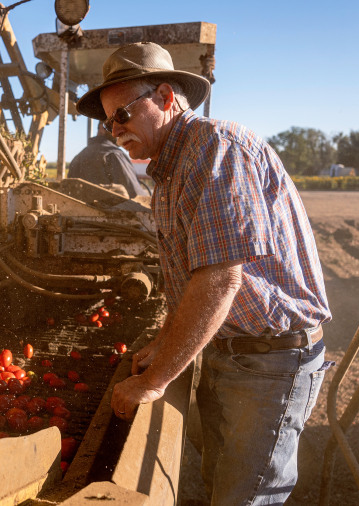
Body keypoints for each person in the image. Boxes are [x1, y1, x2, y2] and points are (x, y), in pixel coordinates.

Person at [76, 42, 331, 505]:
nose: (114, 131)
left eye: (123, 115)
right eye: (107, 121)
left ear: (167, 97)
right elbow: (187, 279)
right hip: (230, 350)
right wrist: (166, 337)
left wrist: (154, 382)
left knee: (245, 495)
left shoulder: (215, 150)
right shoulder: (169, 173)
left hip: (270, 361)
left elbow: (218, 280)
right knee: (220, 480)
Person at [67, 121, 148, 198]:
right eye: (112, 127)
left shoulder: (77, 157)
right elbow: (136, 195)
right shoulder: (114, 154)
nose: (119, 132)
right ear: (101, 128)